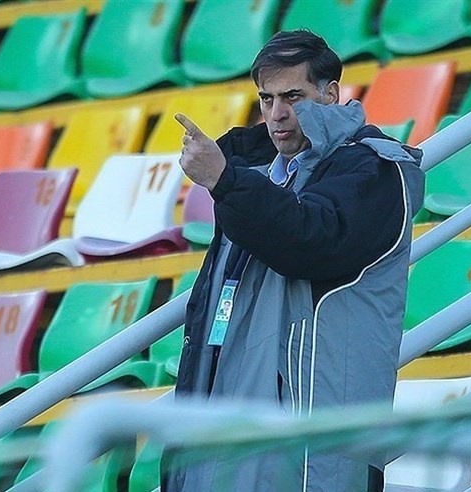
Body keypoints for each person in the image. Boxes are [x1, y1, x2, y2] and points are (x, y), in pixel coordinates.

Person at [164, 30, 425, 491]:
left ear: (330, 94)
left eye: (293, 97)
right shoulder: (255, 172)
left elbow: (308, 240)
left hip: (315, 434)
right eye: (266, 99)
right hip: (237, 419)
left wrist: (224, 180)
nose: (277, 114)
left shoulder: (375, 169)